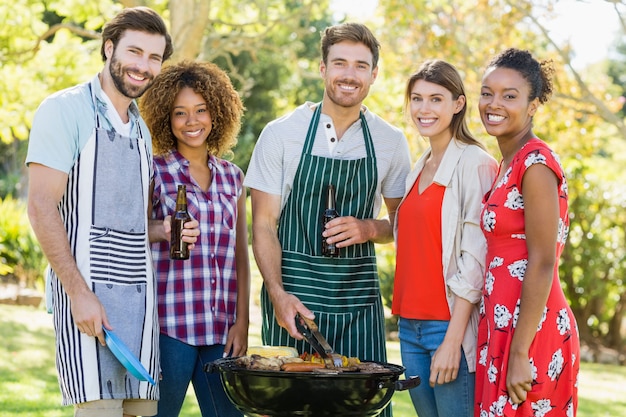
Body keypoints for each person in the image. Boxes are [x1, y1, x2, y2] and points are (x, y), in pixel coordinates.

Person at [26, 7, 198, 417]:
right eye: (134, 52)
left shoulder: (141, 129)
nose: (143, 66)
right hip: (88, 304)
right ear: (108, 49)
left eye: (154, 57)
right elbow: (40, 206)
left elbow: (130, 221)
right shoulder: (64, 109)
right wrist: (79, 294)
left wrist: (163, 229)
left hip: (139, 309)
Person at [244, 21, 411, 416]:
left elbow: (403, 226)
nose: (349, 74)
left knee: (363, 408)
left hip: (359, 304)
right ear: (323, 69)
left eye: (360, 65)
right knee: (295, 408)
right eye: (339, 63)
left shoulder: (390, 142)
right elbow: (263, 226)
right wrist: (277, 294)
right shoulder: (282, 133)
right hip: (295, 304)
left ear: (374, 74)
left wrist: (369, 228)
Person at [140, 60, 250, 417]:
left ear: (216, 113)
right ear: (165, 119)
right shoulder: (155, 171)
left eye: (201, 110)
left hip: (222, 328)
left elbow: (240, 254)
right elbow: (134, 233)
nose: (192, 122)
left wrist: (242, 320)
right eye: (180, 113)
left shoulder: (233, 177)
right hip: (170, 325)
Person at [475, 48, 580, 416]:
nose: (494, 103)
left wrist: (519, 353)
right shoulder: (508, 161)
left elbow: (543, 260)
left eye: (509, 95)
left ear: (533, 105)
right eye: (487, 92)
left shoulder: (536, 163)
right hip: (502, 329)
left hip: (531, 331)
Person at [392, 60, 497, 417]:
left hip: (447, 326)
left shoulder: (476, 164)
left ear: (458, 104)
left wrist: (453, 339)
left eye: (436, 99)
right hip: (410, 328)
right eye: (417, 98)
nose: (424, 109)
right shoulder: (418, 167)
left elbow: (476, 258)